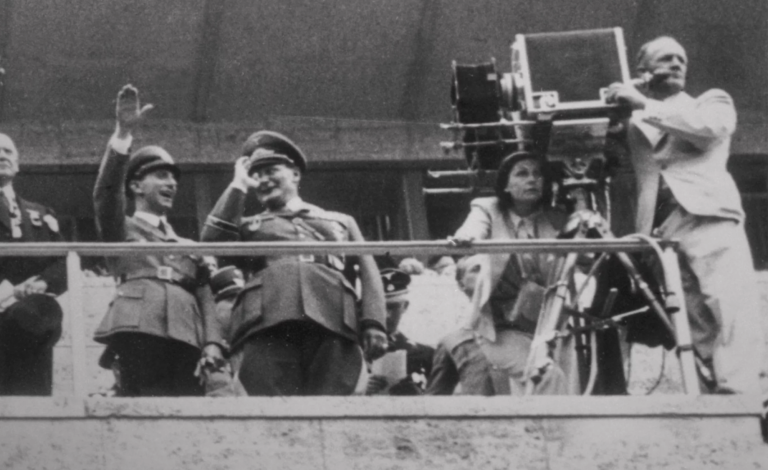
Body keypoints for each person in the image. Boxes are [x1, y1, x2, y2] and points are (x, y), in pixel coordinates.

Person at [606, 36, 764, 395]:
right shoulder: (635, 119)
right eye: (665, 59)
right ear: (643, 71)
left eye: (681, 59)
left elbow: (707, 131)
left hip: (707, 215)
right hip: (662, 229)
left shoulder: (712, 101)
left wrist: (643, 102)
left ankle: (741, 398)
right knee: (692, 321)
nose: (677, 63)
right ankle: (710, 399)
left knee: (728, 306)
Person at [200, 130, 388, 396]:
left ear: (295, 174)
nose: (262, 180)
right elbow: (210, 241)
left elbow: (369, 273)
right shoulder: (248, 227)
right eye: (256, 174)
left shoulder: (340, 221)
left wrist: (374, 322)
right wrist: (238, 185)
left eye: (270, 171)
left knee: (336, 402)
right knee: (270, 408)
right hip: (267, 324)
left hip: (333, 321)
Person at [92, 85, 225, 397]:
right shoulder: (120, 229)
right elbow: (105, 195)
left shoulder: (186, 245)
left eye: (174, 179)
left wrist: (213, 343)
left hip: (187, 334)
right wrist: (123, 134)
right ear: (137, 186)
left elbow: (204, 294)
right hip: (139, 326)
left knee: (187, 413)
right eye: (162, 176)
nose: (172, 183)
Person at [427, 152, 573, 395]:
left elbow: (583, 257)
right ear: (506, 185)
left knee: (565, 384)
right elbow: (473, 228)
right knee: (548, 376)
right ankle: (551, 432)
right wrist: (467, 238)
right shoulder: (488, 208)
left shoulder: (556, 218)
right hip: (499, 330)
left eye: (538, 174)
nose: (533, 180)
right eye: (522, 173)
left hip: (548, 325)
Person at [0, 133, 66, 396]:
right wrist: (9, 291)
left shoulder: (40, 213)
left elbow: (63, 261)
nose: (2, 155)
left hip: (29, 325)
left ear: (17, 163)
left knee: (31, 406)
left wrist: (42, 282)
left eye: (8, 151)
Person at [366, 268, 434, 395]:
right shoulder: (351, 351)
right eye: (381, 307)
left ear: (405, 306)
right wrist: (358, 390)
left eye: (394, 307)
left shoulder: (425, 355)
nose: (387, 315)